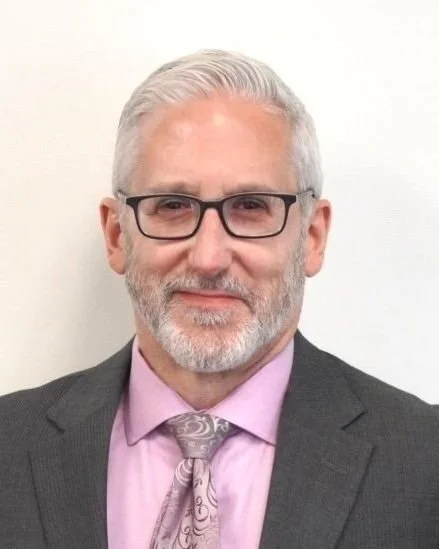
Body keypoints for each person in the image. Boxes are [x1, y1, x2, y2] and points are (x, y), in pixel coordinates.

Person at [1, 49, 438, 549]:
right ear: (117, 236)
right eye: (172, 206)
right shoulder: (8, 447)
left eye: (251, 206)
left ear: (312, 237)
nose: (209, 257)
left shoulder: (424, 464)